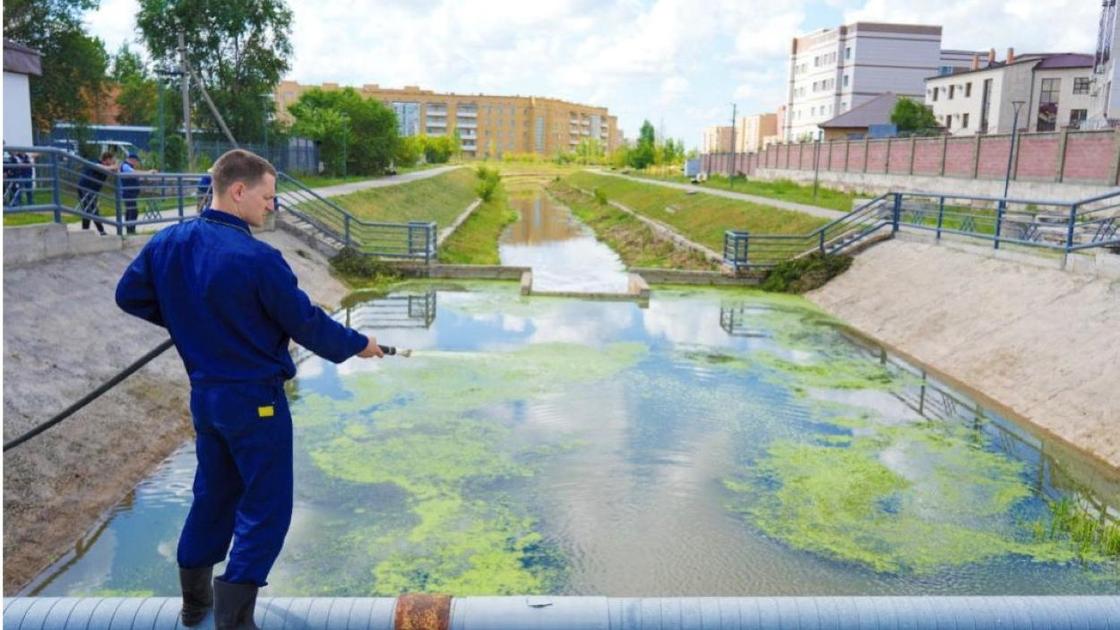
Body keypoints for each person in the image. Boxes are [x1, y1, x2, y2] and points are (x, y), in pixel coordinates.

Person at [115, 149, 385, 629]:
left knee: (213, 495)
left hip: (206, 399)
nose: (271, 207)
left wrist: (190, 321)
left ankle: (195, 606)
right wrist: (359, 344)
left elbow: (129, 295)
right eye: (267, 197)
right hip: (255, 402)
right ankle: (234, 620)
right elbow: (306, 324)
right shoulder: (259, 259)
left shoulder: (167, 242)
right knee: (266, 507)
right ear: (238, 191)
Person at [78, 152, 117, 235]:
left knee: (88, 210)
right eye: (112, 160)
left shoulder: (107, 167)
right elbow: (99, 167)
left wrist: (114, 168)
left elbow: (116, 171)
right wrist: (112, 167)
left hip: (93, 190)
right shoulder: (97, 163)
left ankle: (85, 231)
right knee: (92, 210)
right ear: (107, 160)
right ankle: (101, 231)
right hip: (85, 188)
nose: (113, 162)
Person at [119, 153, 144, 234]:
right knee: (133, 211)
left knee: (131, 211)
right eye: (136, 161)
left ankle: (130, 230)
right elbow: (134, 173)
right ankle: (130, 230)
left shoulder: (127, 166)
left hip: (130, 193)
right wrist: (148, 172)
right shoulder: (125, 166)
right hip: (128, 192)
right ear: (132, 160)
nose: (137, 163)